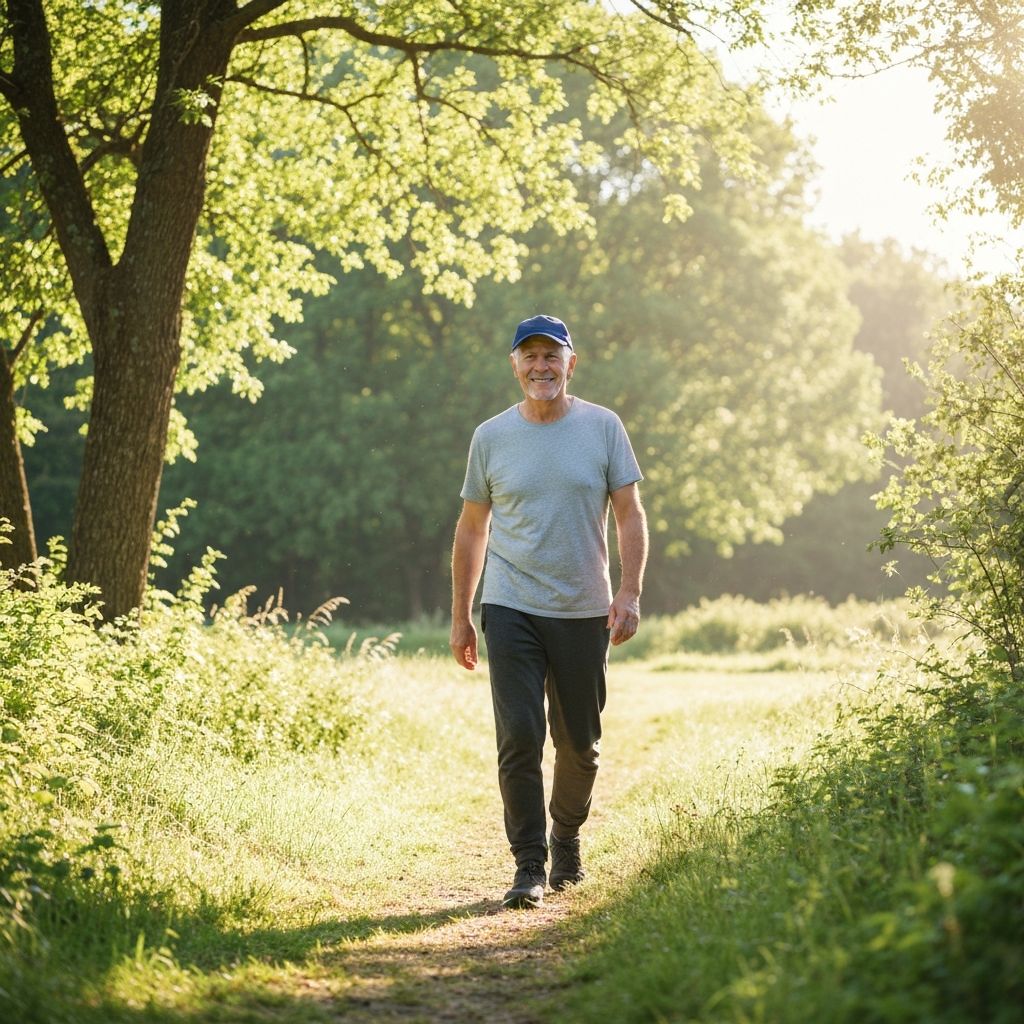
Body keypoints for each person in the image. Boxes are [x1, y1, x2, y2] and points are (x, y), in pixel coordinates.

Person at [450, 313, 649, 909]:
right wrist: (462, 614)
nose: (541, 367)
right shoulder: (490, 437)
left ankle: (566, 837)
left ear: (570, 363)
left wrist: (630, 592)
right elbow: (472, 528)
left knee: (579, 743)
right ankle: (529, 863)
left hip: (584, 608)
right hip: (509, 604)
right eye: (530, 356)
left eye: (551, 356)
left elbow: (630, 513)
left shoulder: (603, 427)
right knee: (519, 735)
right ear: (515, 365)